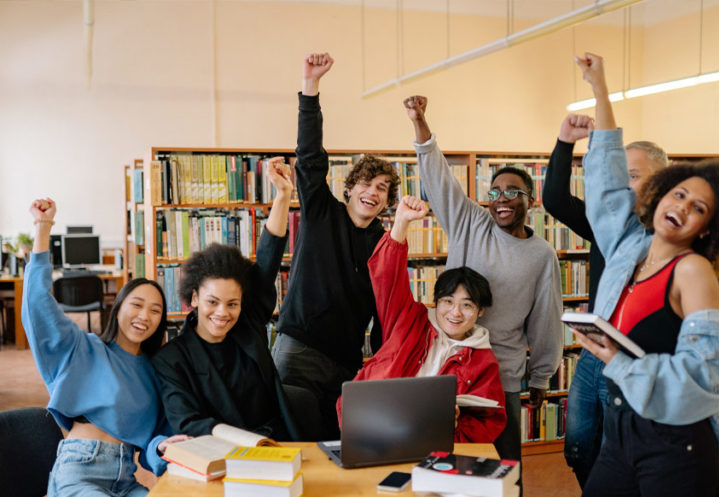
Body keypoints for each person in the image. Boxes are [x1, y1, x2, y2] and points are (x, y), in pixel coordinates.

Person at [572, 52, 719, 496]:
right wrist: (601, 89)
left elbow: (706, 378)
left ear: (708, 229)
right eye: (678, 194)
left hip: (674, 444)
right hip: (622, 429)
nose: (681, 207)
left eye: (698, 208)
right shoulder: (630, 246)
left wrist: (617, 361)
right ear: (658, 195)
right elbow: (605, 181)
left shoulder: (694, 271)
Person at [403, 96, 563, 463]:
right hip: (449, 365)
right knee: (439, 461)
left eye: (512, 192)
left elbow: (545, 319)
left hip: (500, 374)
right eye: (494, 192)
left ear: (530, 200)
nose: (501, 199)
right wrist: (420, 122)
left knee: (502, 467)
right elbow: (438, 178)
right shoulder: (470, 222)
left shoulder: (542, 255)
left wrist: (540, 377)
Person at [271, 52, 401, 440]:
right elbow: (310, 157)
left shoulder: (384, 242)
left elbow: (386, 308)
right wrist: (310, 88)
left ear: (386, 201)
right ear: (350, 188)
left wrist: (380, 364)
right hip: (298, 350)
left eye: (382, 189)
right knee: (288, 441)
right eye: (366, 183)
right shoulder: (321, 211)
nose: (372, 192)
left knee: (336, 445)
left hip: (347, 362)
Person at [22, 198, 188, 497]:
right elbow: (36, 303)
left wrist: (162, 446)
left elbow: (153, 449)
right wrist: (42, 227)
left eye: (155, 310)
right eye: (136, 305)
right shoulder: (82, 348)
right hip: (79, 470)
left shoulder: (155, 372)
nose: (144, 316)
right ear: (118, 306)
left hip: (126, 478)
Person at [541, 115, 668, 487]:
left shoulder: (671, 236)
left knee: (619, 453)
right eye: (618, 176)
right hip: (592, 354)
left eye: (633, 175)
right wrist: (565, 142)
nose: (622, 185)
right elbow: (555, 200)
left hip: (633, 357)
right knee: (579, 447)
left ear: (662, 180)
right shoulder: (604, 225)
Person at [152, 158, 314, 441]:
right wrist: (244, 439)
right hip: (221, 449)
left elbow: (268, 258)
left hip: (279, 442)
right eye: (212, 302)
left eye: (232, 303)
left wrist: (283, 195)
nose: (222, 313)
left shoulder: (247, 326)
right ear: (194, 297)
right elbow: (186, 420)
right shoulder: (172, 359)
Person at [337, 195, 506, 442]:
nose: (455, 313)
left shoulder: (483, 359)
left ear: (480, 311)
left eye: (467, 305)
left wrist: (454, 429)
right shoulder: (408, 320)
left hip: (432, 443)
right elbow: (388, 276)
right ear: (436, 302)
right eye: (448, 302)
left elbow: (488, 422)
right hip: (373, 427)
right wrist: (402, 221)